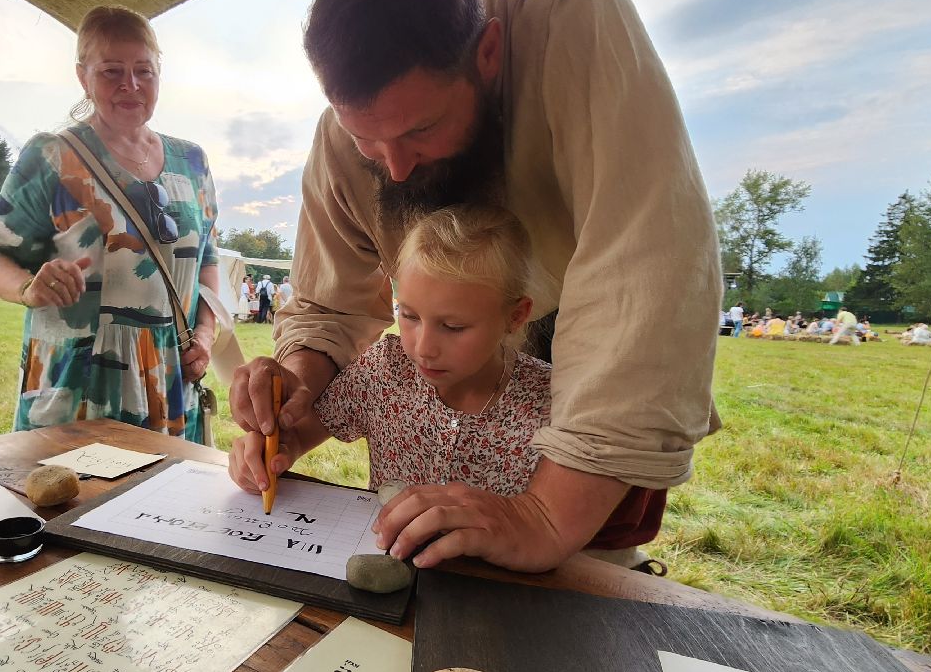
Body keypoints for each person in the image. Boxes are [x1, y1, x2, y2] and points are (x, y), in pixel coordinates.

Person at [230, 0, 720, 574]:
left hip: (583, 403)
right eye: (366, 141)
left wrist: (544, 517)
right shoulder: (346, 137)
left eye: (421, 130)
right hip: (421, 531)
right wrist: (291, 393)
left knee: (577, 618)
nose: (396, 166)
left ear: (488, 53)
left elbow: (648, 273)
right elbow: (329, 302)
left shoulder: (569, 24)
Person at [230, 207, 666, 570]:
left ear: (516, 316)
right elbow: (299, 432)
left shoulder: (555, 404)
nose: (422, 347)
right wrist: (267, 452)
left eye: (453, 326)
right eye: (410, 315)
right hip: (391, 580)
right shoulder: (385, 367)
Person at [0, 5, 220, 441]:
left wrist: (205, 332)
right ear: (82, 76)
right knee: (77, 501)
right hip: (81, 380)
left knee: (169, 505)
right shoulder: (52, 155)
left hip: (170, 378)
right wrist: (28, 288)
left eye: (144, 70)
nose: (131, 84)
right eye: (111, 71)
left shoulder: (193, 161)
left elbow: (208, 260)